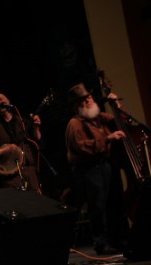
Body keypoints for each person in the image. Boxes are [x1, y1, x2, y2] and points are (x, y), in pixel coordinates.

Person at [64, 82, 129, 255]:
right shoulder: (75, 123)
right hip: (90, 169)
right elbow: (81, 146)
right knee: (98, 206)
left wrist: (117, 105)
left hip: (107, 165)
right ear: (77, 105)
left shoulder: (100, 118)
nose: (88, 101)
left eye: (89, 98)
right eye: (83, 100)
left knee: (115, 203)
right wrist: (107, 139)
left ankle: (120, 239)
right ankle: (101, 242)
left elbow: (121, 121)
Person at [0, 92, 42, 193]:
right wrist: (2, 151)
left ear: (8, 101)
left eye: (0, 99)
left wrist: (36, 128)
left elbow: (37, 142)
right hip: (10, 178)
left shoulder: (24, 122)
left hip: (31, 174)